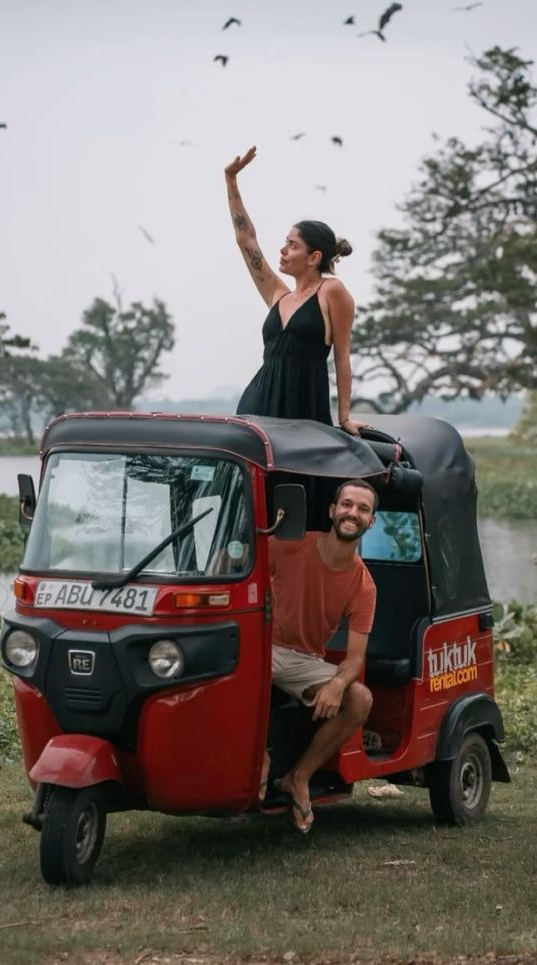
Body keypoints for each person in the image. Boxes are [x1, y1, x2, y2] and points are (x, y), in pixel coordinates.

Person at [225, 146, 369, 436]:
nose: (283, 250)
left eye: (293, 245)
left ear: (314, 257)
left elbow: (342, 356)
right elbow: (246, 240)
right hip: (258, 405)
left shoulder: (332, 291)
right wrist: (231, 180)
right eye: (285, 242)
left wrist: (344, 418)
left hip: (304, 407)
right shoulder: (278, 296)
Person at [264, 478, 378, 833]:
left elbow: (356, 658)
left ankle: (298, 777)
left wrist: (338, 684)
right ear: (332, 510)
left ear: (371, 522)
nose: (352, 513)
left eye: (363, 509)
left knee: (359, 699)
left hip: (302, 660)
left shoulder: (363, 585)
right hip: (259, 645)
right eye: (347, 504)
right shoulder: (289, 545)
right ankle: (256, 762)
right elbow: (234, 566)